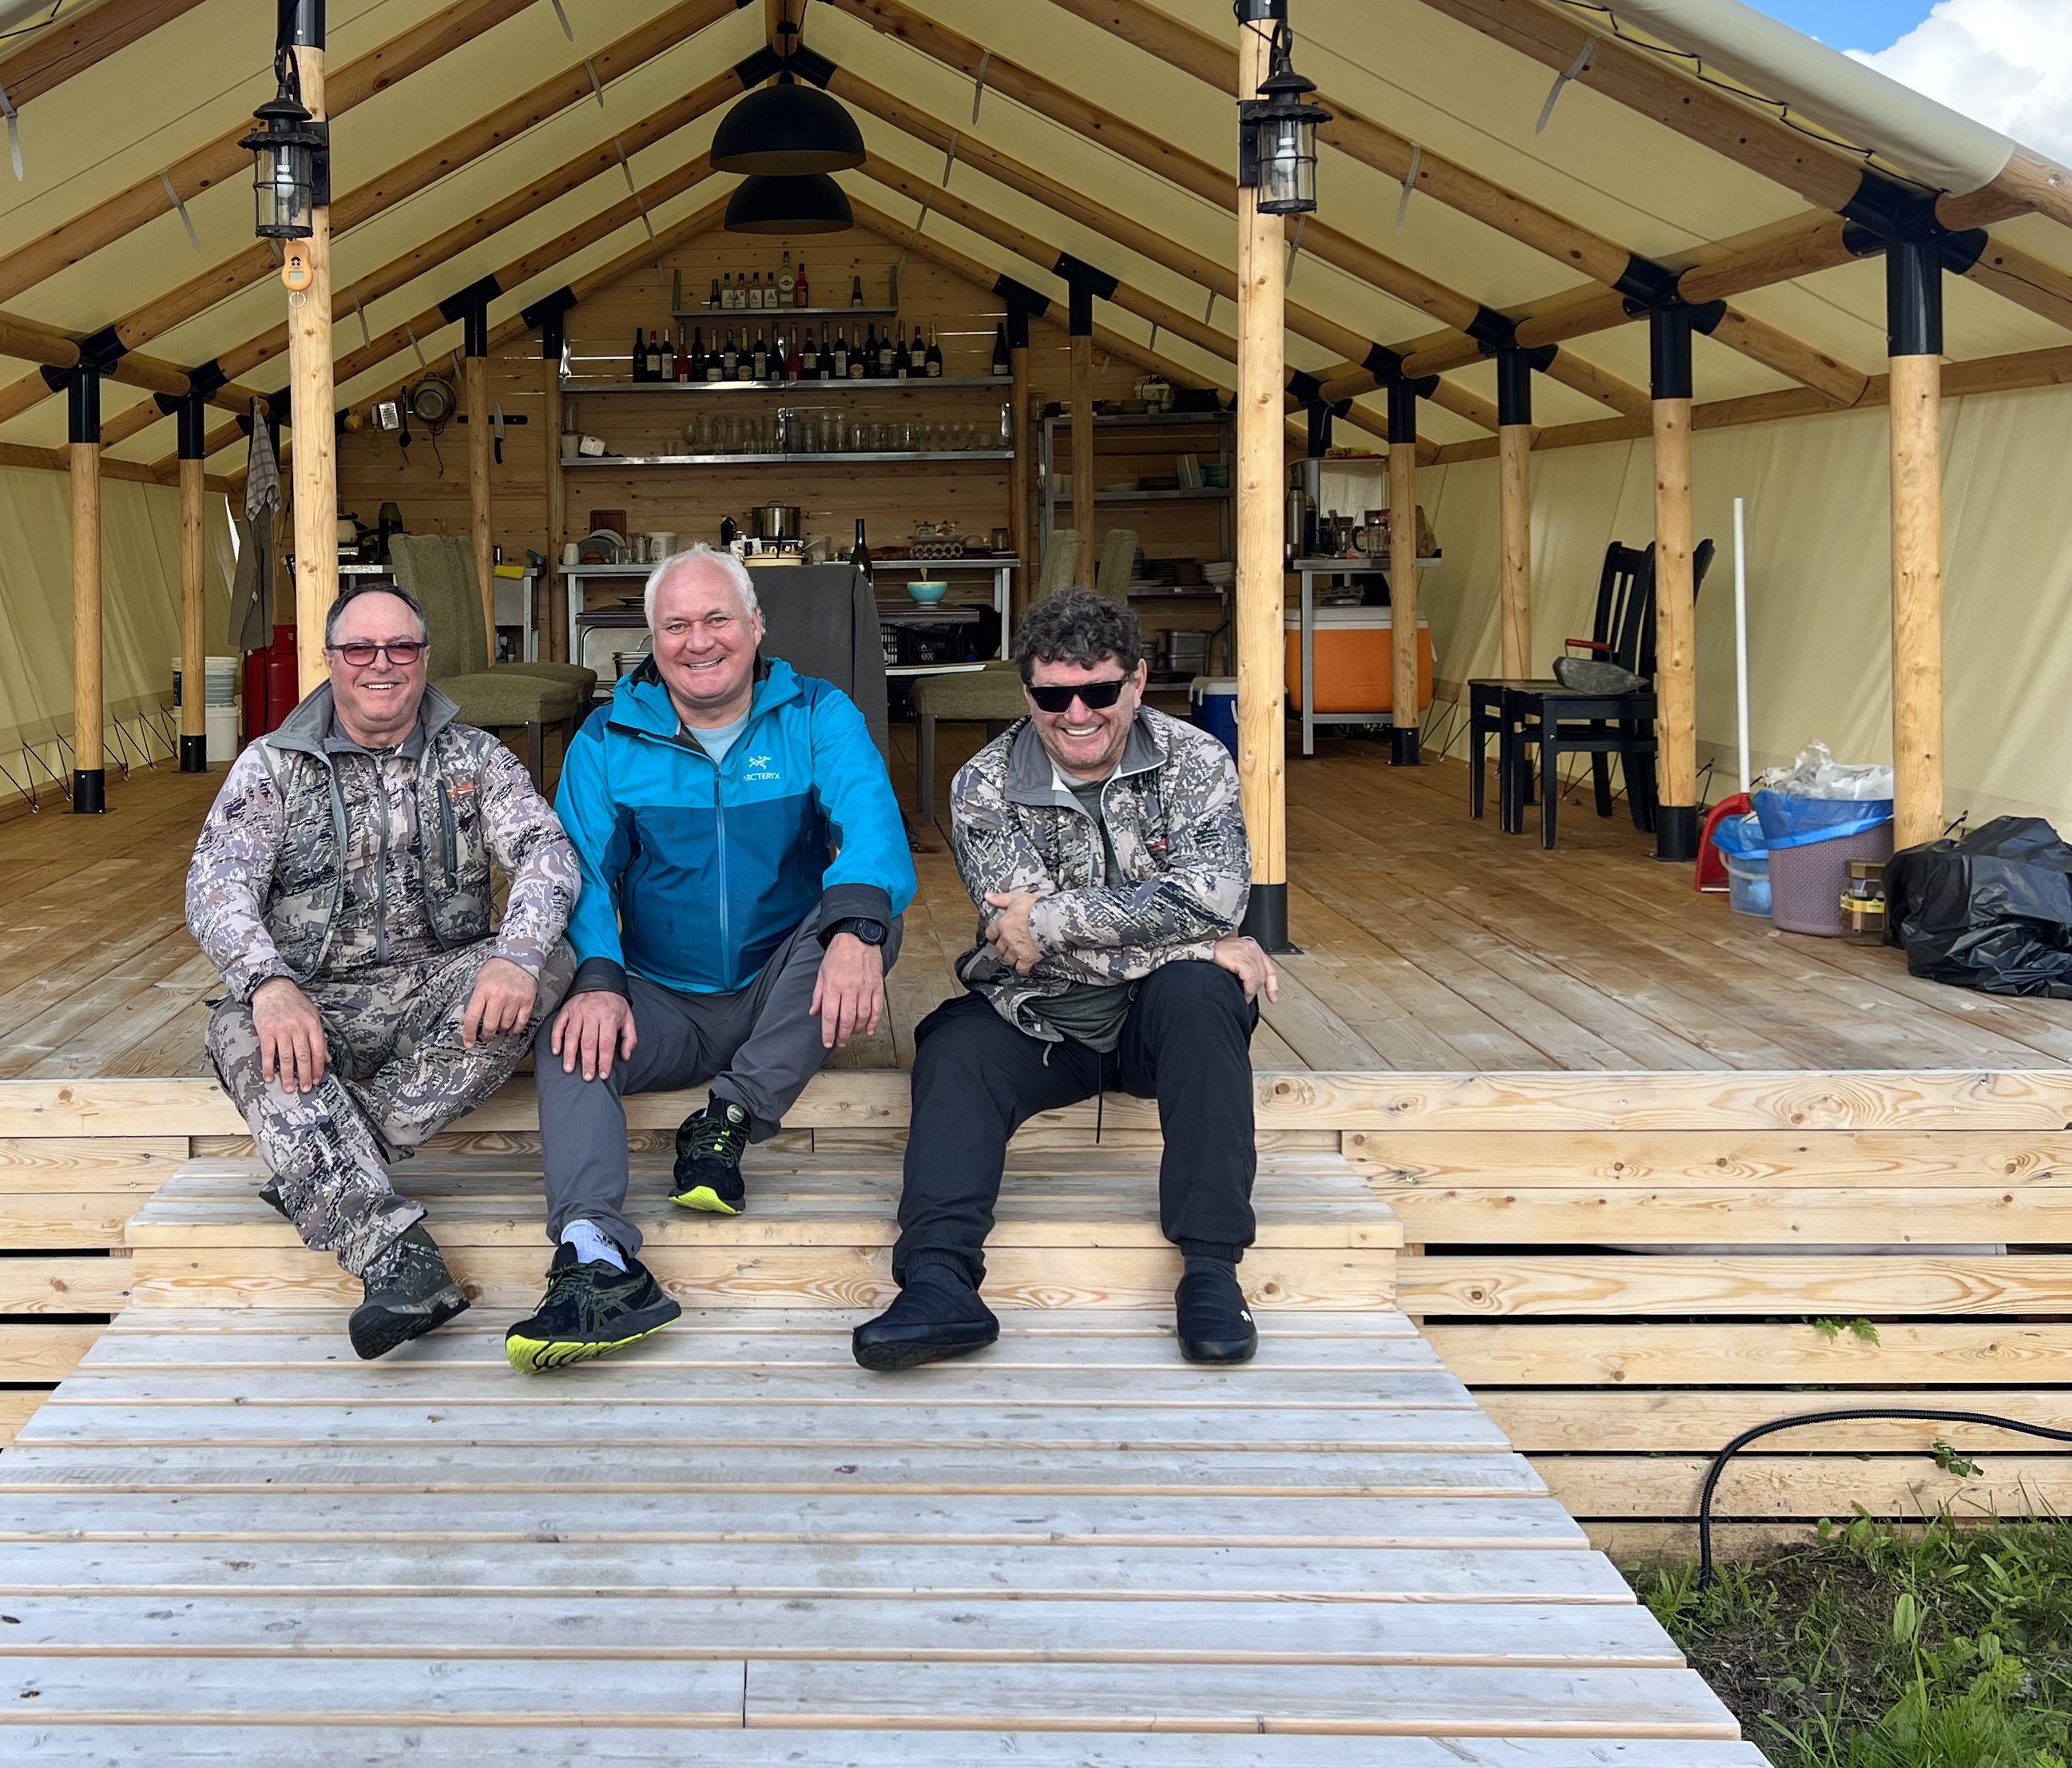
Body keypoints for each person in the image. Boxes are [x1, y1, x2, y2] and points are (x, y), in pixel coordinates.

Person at [854, 585, 1280, 1373]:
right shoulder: (983, 783)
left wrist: (1063, 921)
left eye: (1099, 691)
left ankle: (1212, 1271)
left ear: (1137, 681)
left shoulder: (1196, 759)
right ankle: (939, 1282)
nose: (1076, 713)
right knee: (952, 1049)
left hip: (1160, 1027)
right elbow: (1019, 946)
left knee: (1203, 997)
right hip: (1042, 1015)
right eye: (1053, 695)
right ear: (1027, 693)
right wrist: (1193, 943)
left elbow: (1216, 897)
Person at [509, 546, 915, 1371]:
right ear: (652, 640)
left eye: (718, 619)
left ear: (756, 626)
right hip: (665, 1001)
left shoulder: (816, 713)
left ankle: (726, 1119)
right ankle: (595, 1254)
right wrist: (598, 978)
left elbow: (871, 823)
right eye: (677, 626)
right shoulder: (609, 738)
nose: (699, 642)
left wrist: (856, 932)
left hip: (781, 991)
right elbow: (578, 872)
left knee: (867, 919)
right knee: (569, 1033)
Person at [186, 580, 579, 1359]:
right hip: (315, 1001)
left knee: (549, 962)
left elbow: (546, 853)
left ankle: (323, 1160)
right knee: (237, 1030)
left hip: (439, 985)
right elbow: (215, 885)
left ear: (425, 658)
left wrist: (516, 955)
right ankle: (397, 1258)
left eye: (400, 647)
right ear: (331, 660)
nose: (381, 664)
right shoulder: (272, 766)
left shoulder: (474, 757)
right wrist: (270, 984)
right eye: (360, 648)